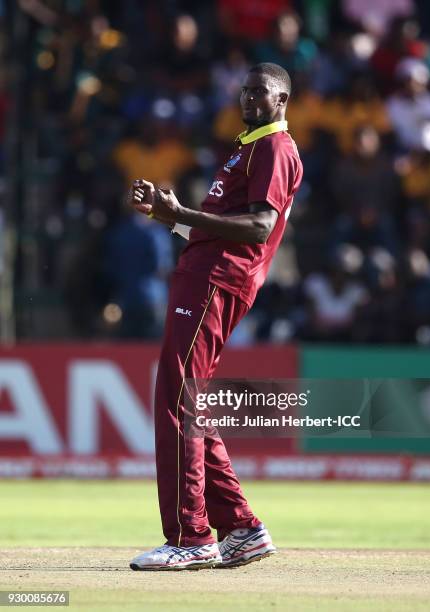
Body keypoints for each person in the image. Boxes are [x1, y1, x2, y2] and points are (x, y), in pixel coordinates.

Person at [127, 63, 303, 571]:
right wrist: (172, 221)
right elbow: (227, 226)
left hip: (216, 280)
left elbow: (257, 227)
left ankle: (191, 535)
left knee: (177, 397)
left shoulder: (273, 147)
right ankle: (242, 529)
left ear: (283, 100)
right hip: (207, 274)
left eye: (261, 93)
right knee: (191, 401)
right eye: (245, 91)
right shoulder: (249, 146)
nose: (249, 100)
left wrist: (182, 214)